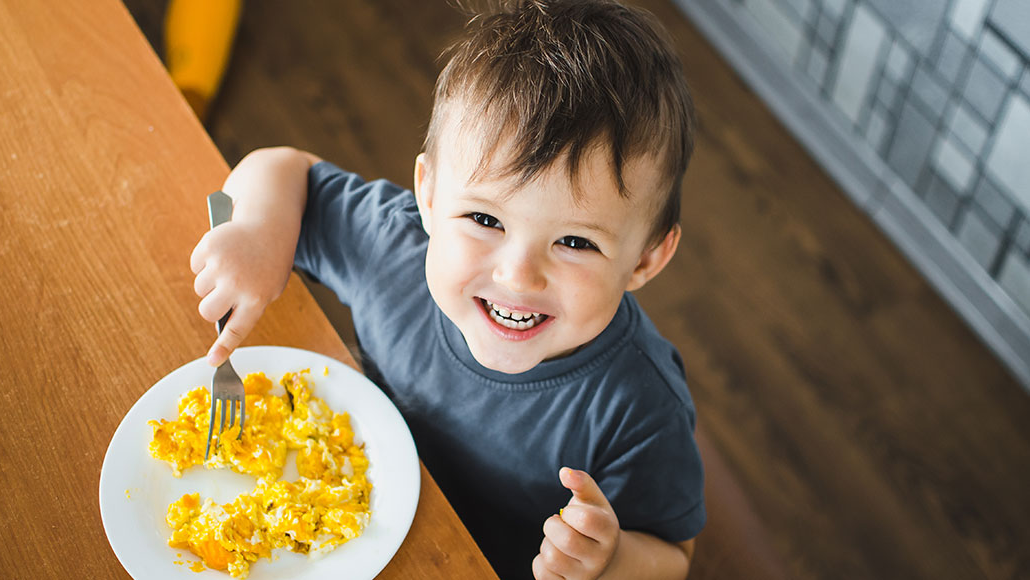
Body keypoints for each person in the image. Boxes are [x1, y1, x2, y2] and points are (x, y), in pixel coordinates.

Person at [189, 0, 704, 577]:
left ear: (647, 259)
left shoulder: (640, 406)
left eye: (576, 243)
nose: (516, 275)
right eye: (485, 220)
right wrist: (259, 231)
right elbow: (284, 168)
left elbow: (672, 555)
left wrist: (609, 560)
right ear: (427, 196)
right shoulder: (393, 249)